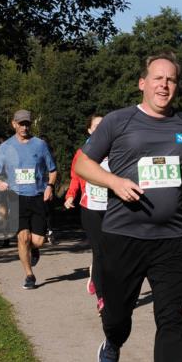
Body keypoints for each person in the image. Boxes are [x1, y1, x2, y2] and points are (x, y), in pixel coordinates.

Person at [75, 53, 182, 362]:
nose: (164, 85)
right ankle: (113, 338)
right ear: (142, 83)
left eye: (171, 79)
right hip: (123, 236)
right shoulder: (118, 121)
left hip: (172, 239)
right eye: (157, 78)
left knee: (173, 318)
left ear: (176, 85)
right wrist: (114, 182)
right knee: (118, 314)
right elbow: (83, 164)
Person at [0, 110, 57, 289]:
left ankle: (34, 250)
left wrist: (49, 186)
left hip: (37, 196)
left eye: (27, 124)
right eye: (21, 124)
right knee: (23, 237)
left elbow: (52, 170)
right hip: (16, 197)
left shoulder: (40, 144)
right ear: (14, 124)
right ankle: (29, 275)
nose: (24, 127)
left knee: (37, 241)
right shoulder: (6, 147)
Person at [64, 114, 106, 308]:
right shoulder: (82, 152)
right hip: (90, 207)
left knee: (114, 252)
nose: (100, 129)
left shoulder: (116, 149)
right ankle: (102, 297)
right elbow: (75, 176)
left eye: (103, 125)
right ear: (89, 130)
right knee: (99, 251)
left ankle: (96, 275)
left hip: (114, 208)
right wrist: (70, 195)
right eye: (96, 126)